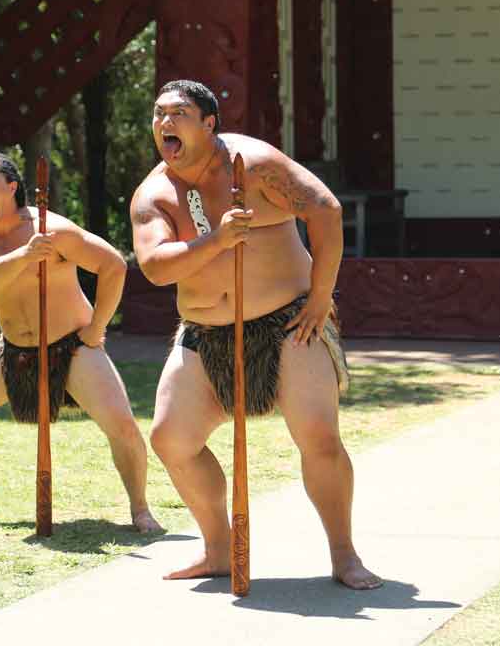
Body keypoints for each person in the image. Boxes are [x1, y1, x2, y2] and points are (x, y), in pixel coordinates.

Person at [129, 79, 381, 589]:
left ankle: (344, 554)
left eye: (178, 114)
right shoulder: (155, 194)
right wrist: (217, 239)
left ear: (208, 123)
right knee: (171, 439)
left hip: (288, 322)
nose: (165, 124)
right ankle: (219, 550)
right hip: (204, 333)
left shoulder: (256, 165)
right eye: (158, 115)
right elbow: (155, 266)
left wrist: (319, 298)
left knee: (319, 436)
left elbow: (326, 211)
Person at [0, 151, 161, 533]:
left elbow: (113, 264)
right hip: (14, 350)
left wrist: (97, 327)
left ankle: (140, 509)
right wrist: (26, 254)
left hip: (74, 345)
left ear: (13, 186)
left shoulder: (53, 229)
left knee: (123, 427)